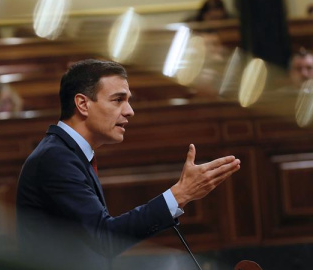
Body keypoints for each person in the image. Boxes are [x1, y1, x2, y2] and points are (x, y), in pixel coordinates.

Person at [16, 59, 241, 270]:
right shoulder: (56, 158)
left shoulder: (66, 153)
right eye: (118, 99)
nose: (129, 111)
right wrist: (179, 195)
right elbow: (105, 239)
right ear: (83, 104)